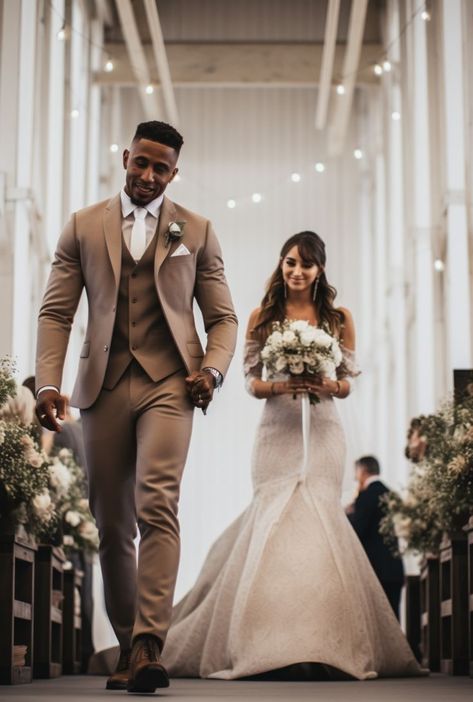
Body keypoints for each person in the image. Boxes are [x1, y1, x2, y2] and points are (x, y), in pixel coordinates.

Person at [162, 231, 423, 680]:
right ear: (280, 266)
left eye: (305, 264)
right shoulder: (262, 316)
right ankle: (266, 641)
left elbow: (349, 380)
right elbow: (249, 380)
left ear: (320, 270)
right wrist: (284, 385)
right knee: (274, 518)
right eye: (289, 262)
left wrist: (327, 385)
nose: (296, 271)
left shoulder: (339, 318)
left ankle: (322, 641)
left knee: (319, 519)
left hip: (323, 430)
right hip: (276, 429)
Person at [35, 121, 238, 692]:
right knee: (112, 520)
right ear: (126, 157)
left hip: (172, 383)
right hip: (101, 384)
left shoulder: (195, 230)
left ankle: (151, 641)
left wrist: (213, 371)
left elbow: (222, 319)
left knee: (156, 501)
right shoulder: (82, 226)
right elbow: (56, 313)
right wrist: (48, 384)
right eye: (141, 163)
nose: (148, 176)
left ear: (175, 172)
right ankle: (129, 645)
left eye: (161, 168)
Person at [347, 455, 405, 620]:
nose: (355, 477)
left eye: (356, 472)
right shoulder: (391, 494)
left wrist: (348, 516)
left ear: (363, 470)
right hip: (394, 569)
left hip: (375, 569)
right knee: (393, 619)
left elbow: (358, 530)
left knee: (376, 620)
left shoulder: (365, 497)